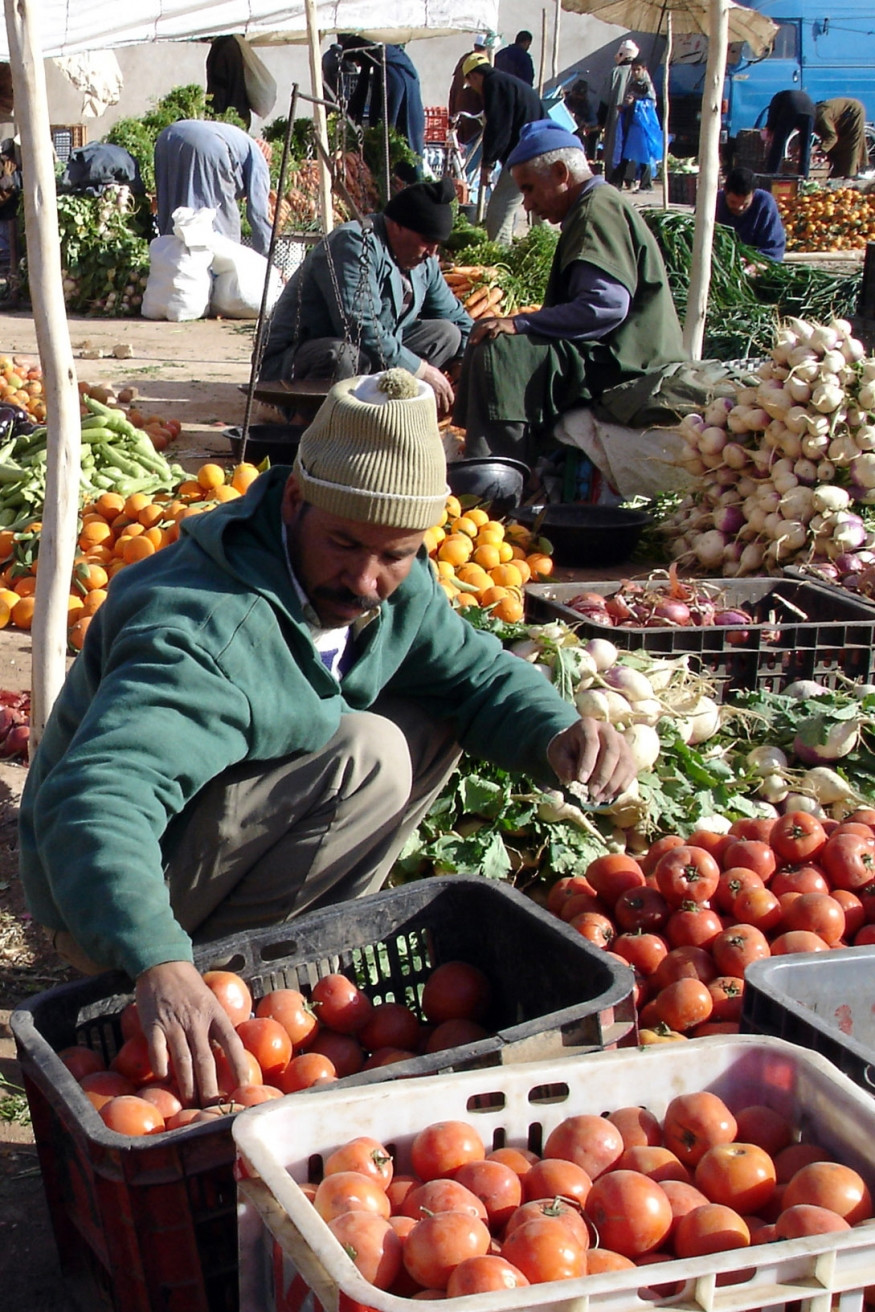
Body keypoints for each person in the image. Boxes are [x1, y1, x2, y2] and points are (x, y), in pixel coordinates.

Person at [20, 369, 636, 1106]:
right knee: (369, 754)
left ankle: (279, 966)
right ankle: (232, 974)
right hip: (100, 898)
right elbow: (98, 800)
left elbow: (473, 674)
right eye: (344, 543)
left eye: (395, 554)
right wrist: (156, 959)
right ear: (293, 501)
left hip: (200, 843)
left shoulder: (392, 585)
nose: (367, 580)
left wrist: (554, 732)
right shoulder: (203, 629)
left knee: (430, 716)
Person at [453, 119, 685, 462]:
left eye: (529, 189)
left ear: (561, 173)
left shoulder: (595, 210)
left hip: (627, 363)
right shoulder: (594, 205)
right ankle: (489, 461)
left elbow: (604, 306)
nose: (527, 205)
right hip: (606, 352)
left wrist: (522, 322)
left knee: (499, 352)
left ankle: (502, 470)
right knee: (488, 335)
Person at [259, 177, 472, 417]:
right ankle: (300, 418)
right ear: (397, 226)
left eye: (437, 244)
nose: (432, 253)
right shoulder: (353, 243)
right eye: (427, 241)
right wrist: (421, 370)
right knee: (344, 355)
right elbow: (359, 327)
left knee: (447, 334)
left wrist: (463, 362)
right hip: (300, 358)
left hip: (368, 357)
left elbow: (458, 318)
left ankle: (385, 415)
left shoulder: (425, 263)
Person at [153, 119, 272, 255]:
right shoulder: (259, 160)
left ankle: (169, 259)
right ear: (268, 160)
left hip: (167, 138)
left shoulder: (238, 141)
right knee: (221, 234)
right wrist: (267, 258)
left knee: (173, 210)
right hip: (208, 147)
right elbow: (258, 213)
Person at [462, 52, 546, 244]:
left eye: (470, 84)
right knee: (540, 204)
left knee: (500, 209)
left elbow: (498, 127)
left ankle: (499, 256)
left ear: (473, 76)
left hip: (527, 153)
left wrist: (488, 164)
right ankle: (546, 250)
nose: (474, 90)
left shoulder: (493, 85)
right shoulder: (507, 82)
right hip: (543, 148)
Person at [342, 37, 426, 162]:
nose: (357, 65)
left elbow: (391, 108)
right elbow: (361, 88)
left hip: (406, 117)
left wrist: (382, 134)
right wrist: (351, 117)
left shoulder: (391, 67)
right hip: (403, 116)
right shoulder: (378, 58)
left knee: (407, 156)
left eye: (355, 61)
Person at [716, 166, 786, 262]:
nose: (739, 207)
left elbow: (774, 248)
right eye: (733, 202)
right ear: (725, 192)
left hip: (755, 263)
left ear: (753, 194)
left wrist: (756, 263)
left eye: (745, 204)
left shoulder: (765, 203)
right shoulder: (715, 202)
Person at [598, 38, 639, 187]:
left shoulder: (615, 72)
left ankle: (614, 179)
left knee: (614, 147)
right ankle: (630, 178)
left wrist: (600, 121)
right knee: (631, 147)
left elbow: (604, 99)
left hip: (615, 118)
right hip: (635, 119)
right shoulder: (640, 73)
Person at [617, 60, 661, 192]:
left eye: (638, 69)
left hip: (643, 125)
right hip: (633, 123)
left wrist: (635, 103)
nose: (635, 72)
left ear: (644, 69)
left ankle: (646, 184)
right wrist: (624, 107)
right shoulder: (633, 85)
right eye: (633, 70)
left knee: (644, 155)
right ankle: (618, 181)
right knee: (627, 153)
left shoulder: (647, 86)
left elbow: (651, 104)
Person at [763, 88, 815, 177]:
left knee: (779, 144)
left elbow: (772, 115)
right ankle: (803, 177)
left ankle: (772, 174)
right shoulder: (787, 96)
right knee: (805, 147)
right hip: (810, 112)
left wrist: (770, 129)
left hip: (791, 109)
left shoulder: (777, 98)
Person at [814, 98, 869, 178]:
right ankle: (837, 172)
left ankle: (850, 174)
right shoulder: (816, 115)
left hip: (853, 111)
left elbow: (832, 137)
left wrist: (822, 151)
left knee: (851, 142)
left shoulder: (822, 115)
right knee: (836, 146)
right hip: (840, 117)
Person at [448, 35, 488, 145]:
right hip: (473, 117)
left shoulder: (465, 60)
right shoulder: (479, 63)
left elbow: (453, 90)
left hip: (460, 113)